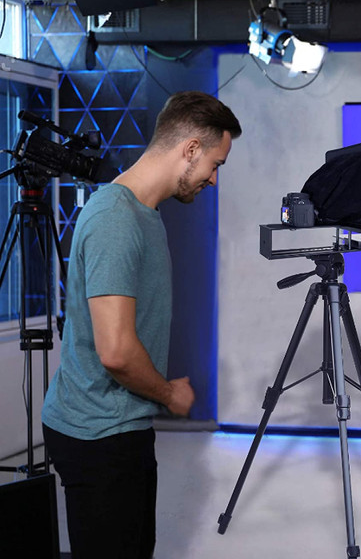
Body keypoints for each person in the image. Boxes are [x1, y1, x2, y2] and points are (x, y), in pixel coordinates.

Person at [41, 91, 242, 559]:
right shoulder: (117, 219)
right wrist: (171, 394)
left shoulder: (145, 214)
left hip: (120, 424)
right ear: (190, 148)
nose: (213, 179)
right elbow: (115, 352)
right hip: (98, 433)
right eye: (215, 163)